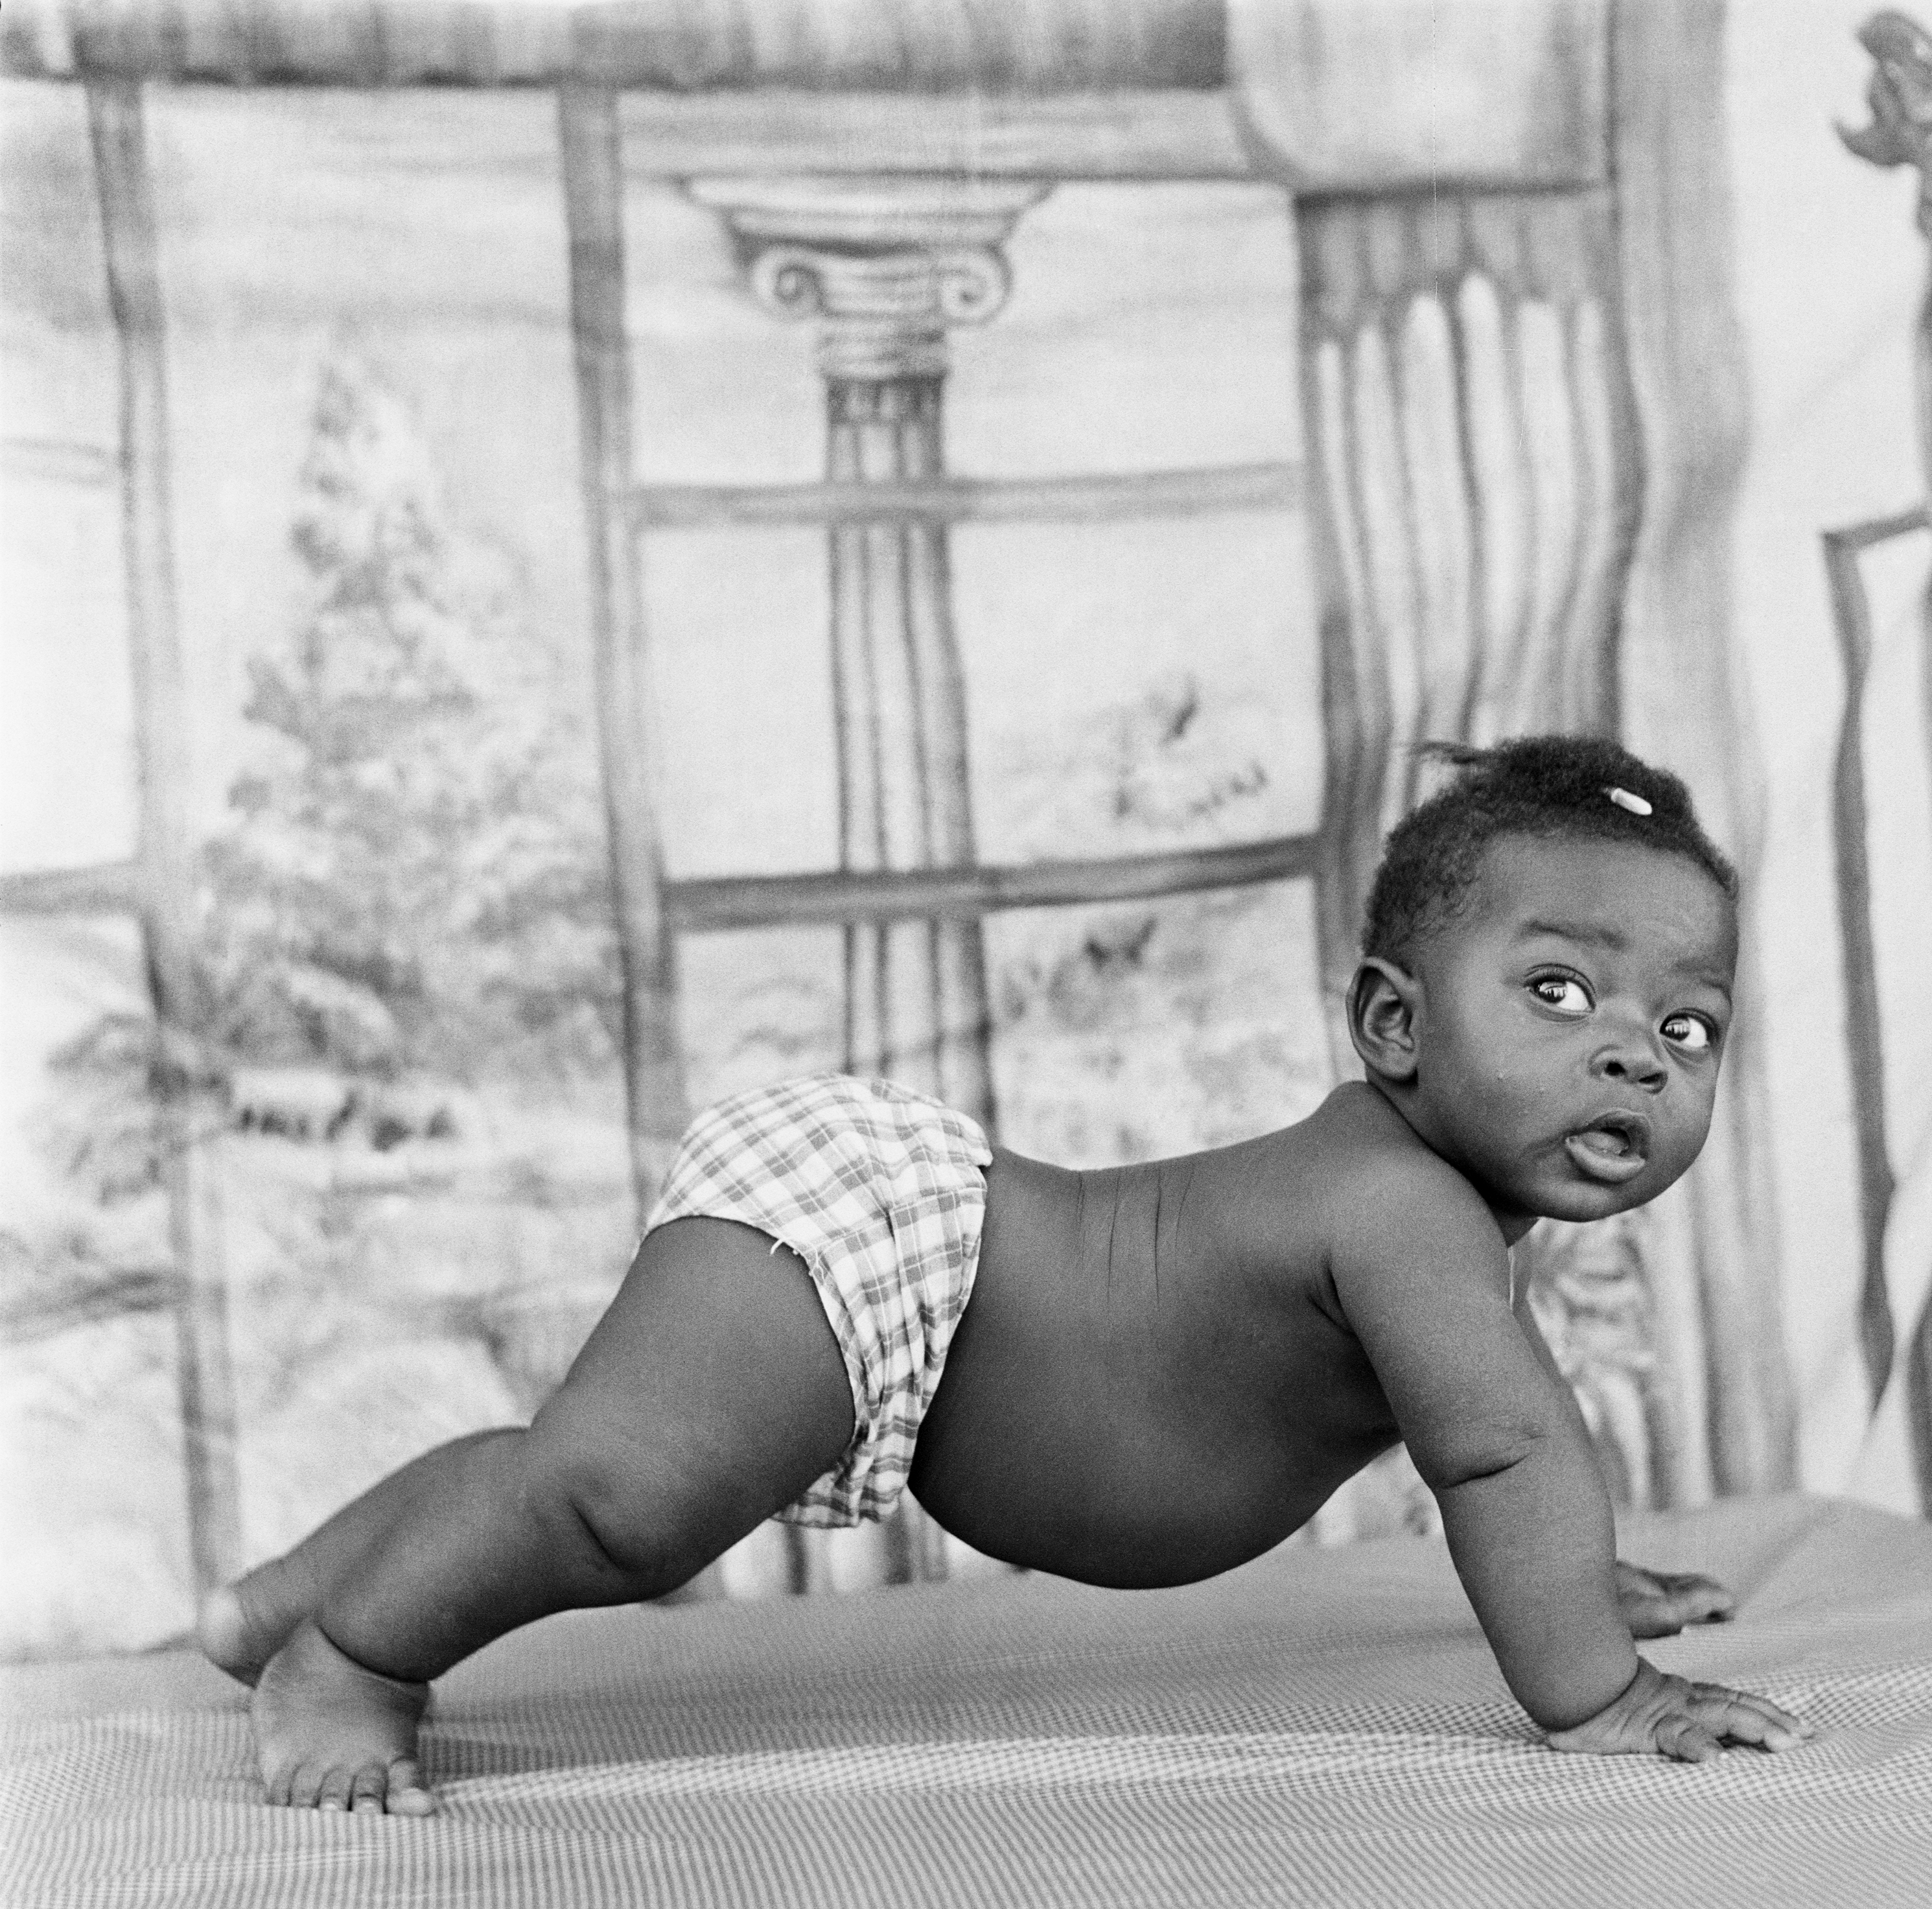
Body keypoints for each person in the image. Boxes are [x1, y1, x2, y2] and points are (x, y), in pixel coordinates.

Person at [201, 734, 1808, 1813]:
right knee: (622, 1505)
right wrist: (1601, 1689)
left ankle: (296, 1590)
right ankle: (356, 1654)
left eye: (1684, 1027)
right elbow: (1503, 1444)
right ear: (1393, 1023)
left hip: (925, 1276)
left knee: (588, 1471)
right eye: (1555, 989)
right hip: (903, 1243)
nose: (1629, 1054)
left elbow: (1493, 1458)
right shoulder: (1399, 1211)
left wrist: (1561, 1568)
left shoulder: (1426, 1225)